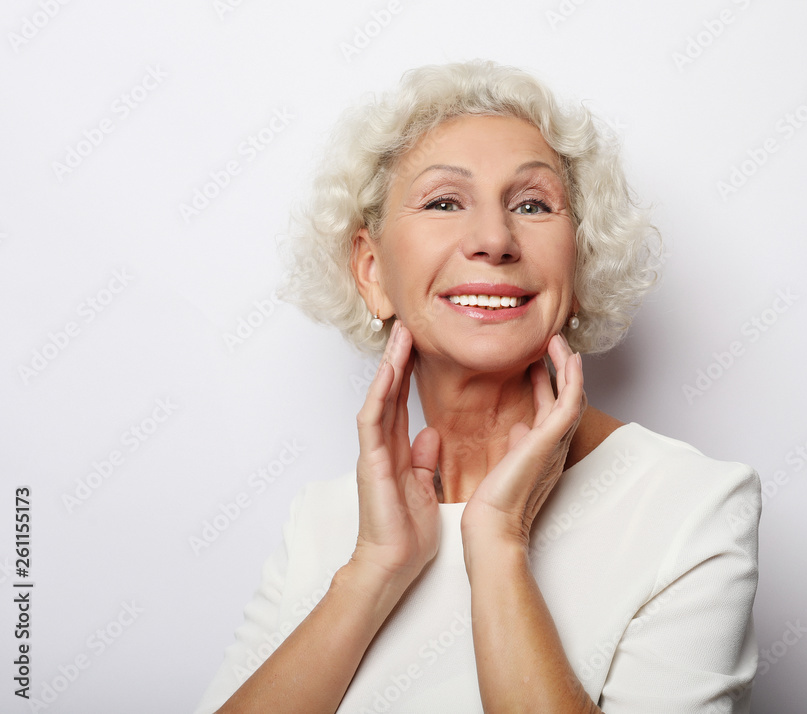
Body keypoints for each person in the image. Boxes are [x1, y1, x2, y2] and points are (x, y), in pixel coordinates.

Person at [195, 59, 761, 713]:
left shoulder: (692, 507)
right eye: (443, 202)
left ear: (579, 263)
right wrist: (375, 568)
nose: (494, 240)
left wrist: (498, 544)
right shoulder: (322, 523)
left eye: (532, 205)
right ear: (372, 271)